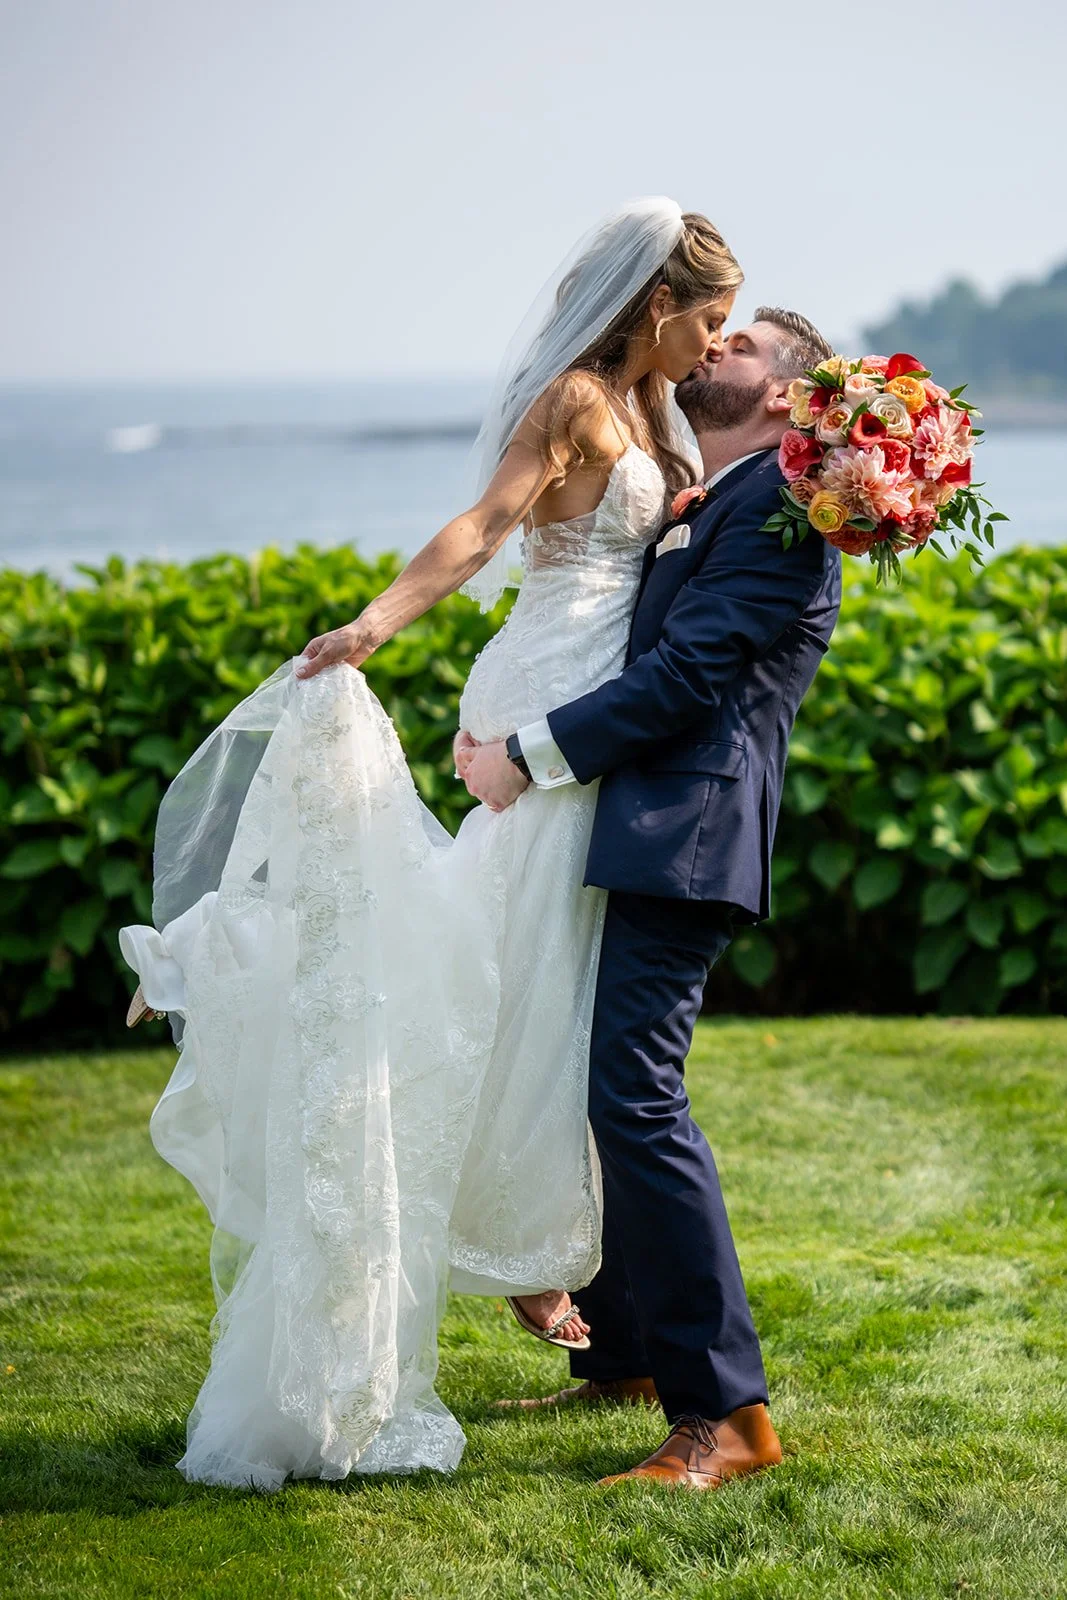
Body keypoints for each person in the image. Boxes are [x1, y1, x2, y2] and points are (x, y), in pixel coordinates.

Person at [119, 197, 750, 1488]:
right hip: (542, 711)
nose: (715, 343)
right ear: (651, 306)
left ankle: (588, 1297)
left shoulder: (660, 414)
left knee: (535, 991)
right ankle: (230, 958)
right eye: (707, 319)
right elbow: (481, 530)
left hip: (594, 724)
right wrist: (371, 625)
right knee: (483, 982)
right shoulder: (576, 398)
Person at [461, 307, 841, 1489]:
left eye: (743, 345)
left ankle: (726, 1416)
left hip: (689, 835)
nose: (712, 350)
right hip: (642, 824)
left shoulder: (782, 515)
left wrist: (527, 752)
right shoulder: (716, 501)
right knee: (600, 1080)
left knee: (633, 1095)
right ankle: (624, 1354)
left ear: (786, 394)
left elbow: (685, 678)